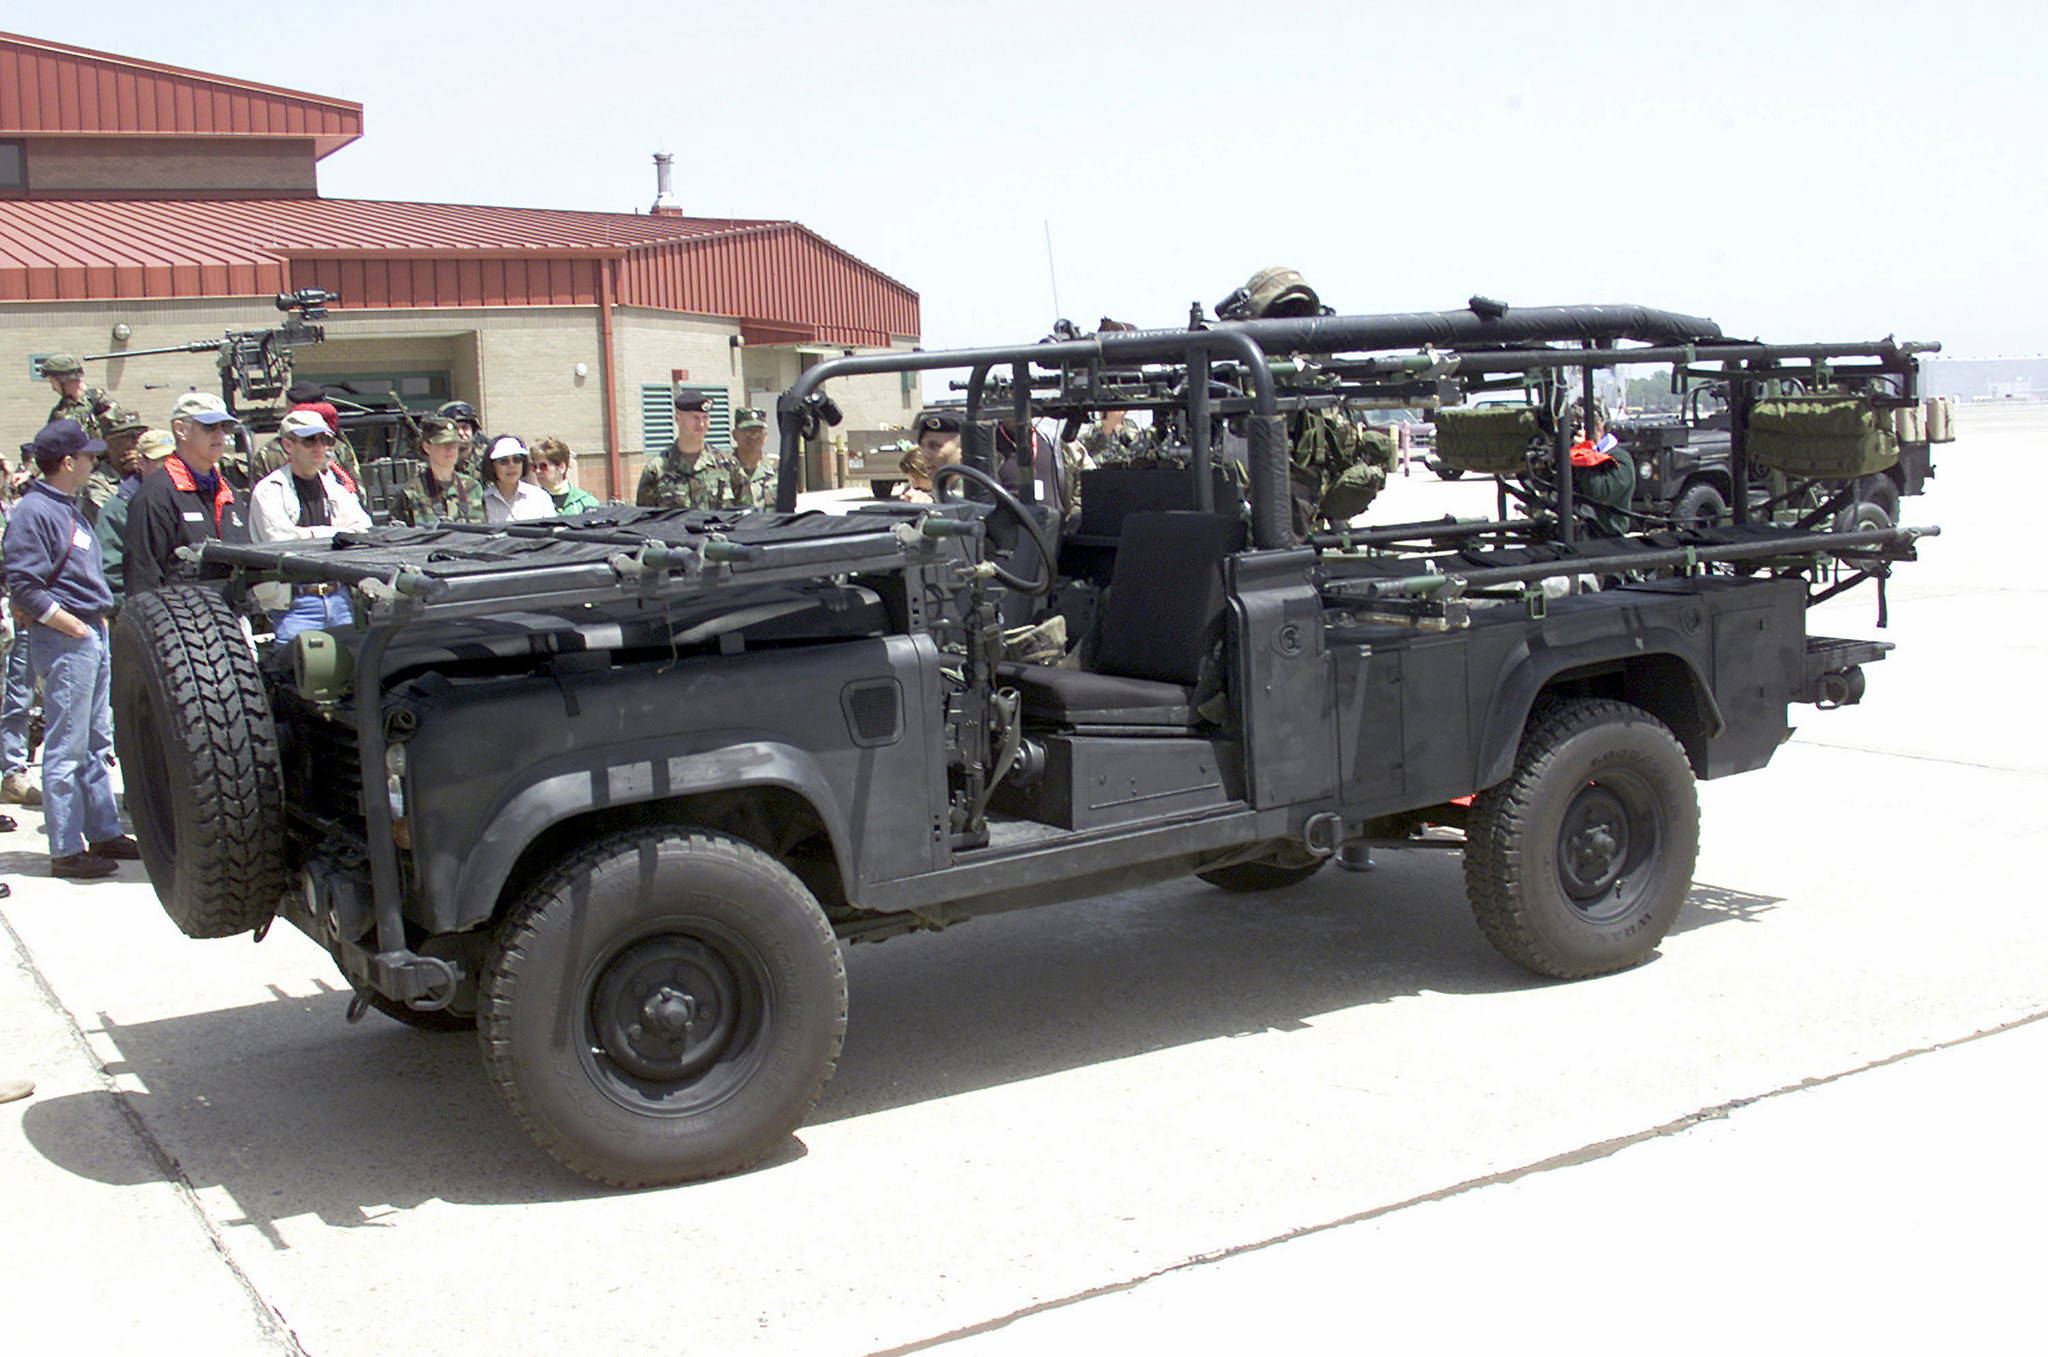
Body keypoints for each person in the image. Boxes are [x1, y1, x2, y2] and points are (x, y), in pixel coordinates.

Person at [3, 419, 139, 879]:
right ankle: (66, 848)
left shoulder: (65, 506)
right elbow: (22, 583)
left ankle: (102, 829)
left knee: (97, 739)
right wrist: (72, 625)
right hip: (68, 637)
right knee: (67, 744)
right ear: (67, 462)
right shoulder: (35, 511)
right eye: (86, 456)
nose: (93, 462)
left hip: (87, 632)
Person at [248, 409, 374, 644]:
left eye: (325, 439)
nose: (319, 447)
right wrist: (337, 535)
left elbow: (364, 531)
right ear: (288, 445)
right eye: (309, 440)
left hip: (340, 599)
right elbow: (281, 542)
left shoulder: (335, 487)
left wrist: (309, 536)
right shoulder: (269, 490)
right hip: (296, 604)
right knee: (296, 675)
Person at [123, 391, 250, 598]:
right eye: (210, 427)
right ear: (181, 430)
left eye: (224, 427)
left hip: (233, 619)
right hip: (181, 622)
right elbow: (142, 575)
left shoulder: (228, 491)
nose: (220, 435)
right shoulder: (155, 496)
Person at [94, 427, 173, 612]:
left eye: (174, 461)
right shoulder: (119, 510)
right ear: (142, 463)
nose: (169, 469)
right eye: (161, 462)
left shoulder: (185, 500)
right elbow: (111, 576)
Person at [637, 391, 744, 509]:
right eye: (695, 418)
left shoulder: (727, 465)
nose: (702, 424)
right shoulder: (657, 469)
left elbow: (746, 515)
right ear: (677, 418)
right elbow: (645, 520)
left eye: (705, 417)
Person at [390, 419, 486, 526]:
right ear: (426, 447)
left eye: (454, 444)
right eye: (443, 444)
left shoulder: (473, 488)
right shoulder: (411, 493)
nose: (450, 449)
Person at [79, 405, 147, 527]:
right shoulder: (96, 483)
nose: (137, 441)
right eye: (130, 435)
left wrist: (145, 473)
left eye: (140, 434)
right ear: (110, 443)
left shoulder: (148, 472)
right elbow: (116, 522)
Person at [481, 436, 556, 523]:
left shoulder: (540, 497)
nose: (511, 465)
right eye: (504, 461)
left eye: (517, 459)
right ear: (492, 466)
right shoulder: (483, 501)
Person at [40, 353, 115, 437]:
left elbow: (124, 439)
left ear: (63, 379)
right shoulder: (59, 412)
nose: (53, 388)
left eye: (53, 382)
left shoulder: (99, 402)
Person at [532, 437, 600, 515]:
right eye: (534, 466)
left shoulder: (586, 502)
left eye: (543, 466)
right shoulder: (532, 501)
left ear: (561, 467)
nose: (537, 471)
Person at [730, 408, 775, 508]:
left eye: (758, 431)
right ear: (735, 435)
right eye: (747, 431)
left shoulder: (779, 467)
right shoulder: (723, 468)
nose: (753, 436)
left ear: (766, 435)